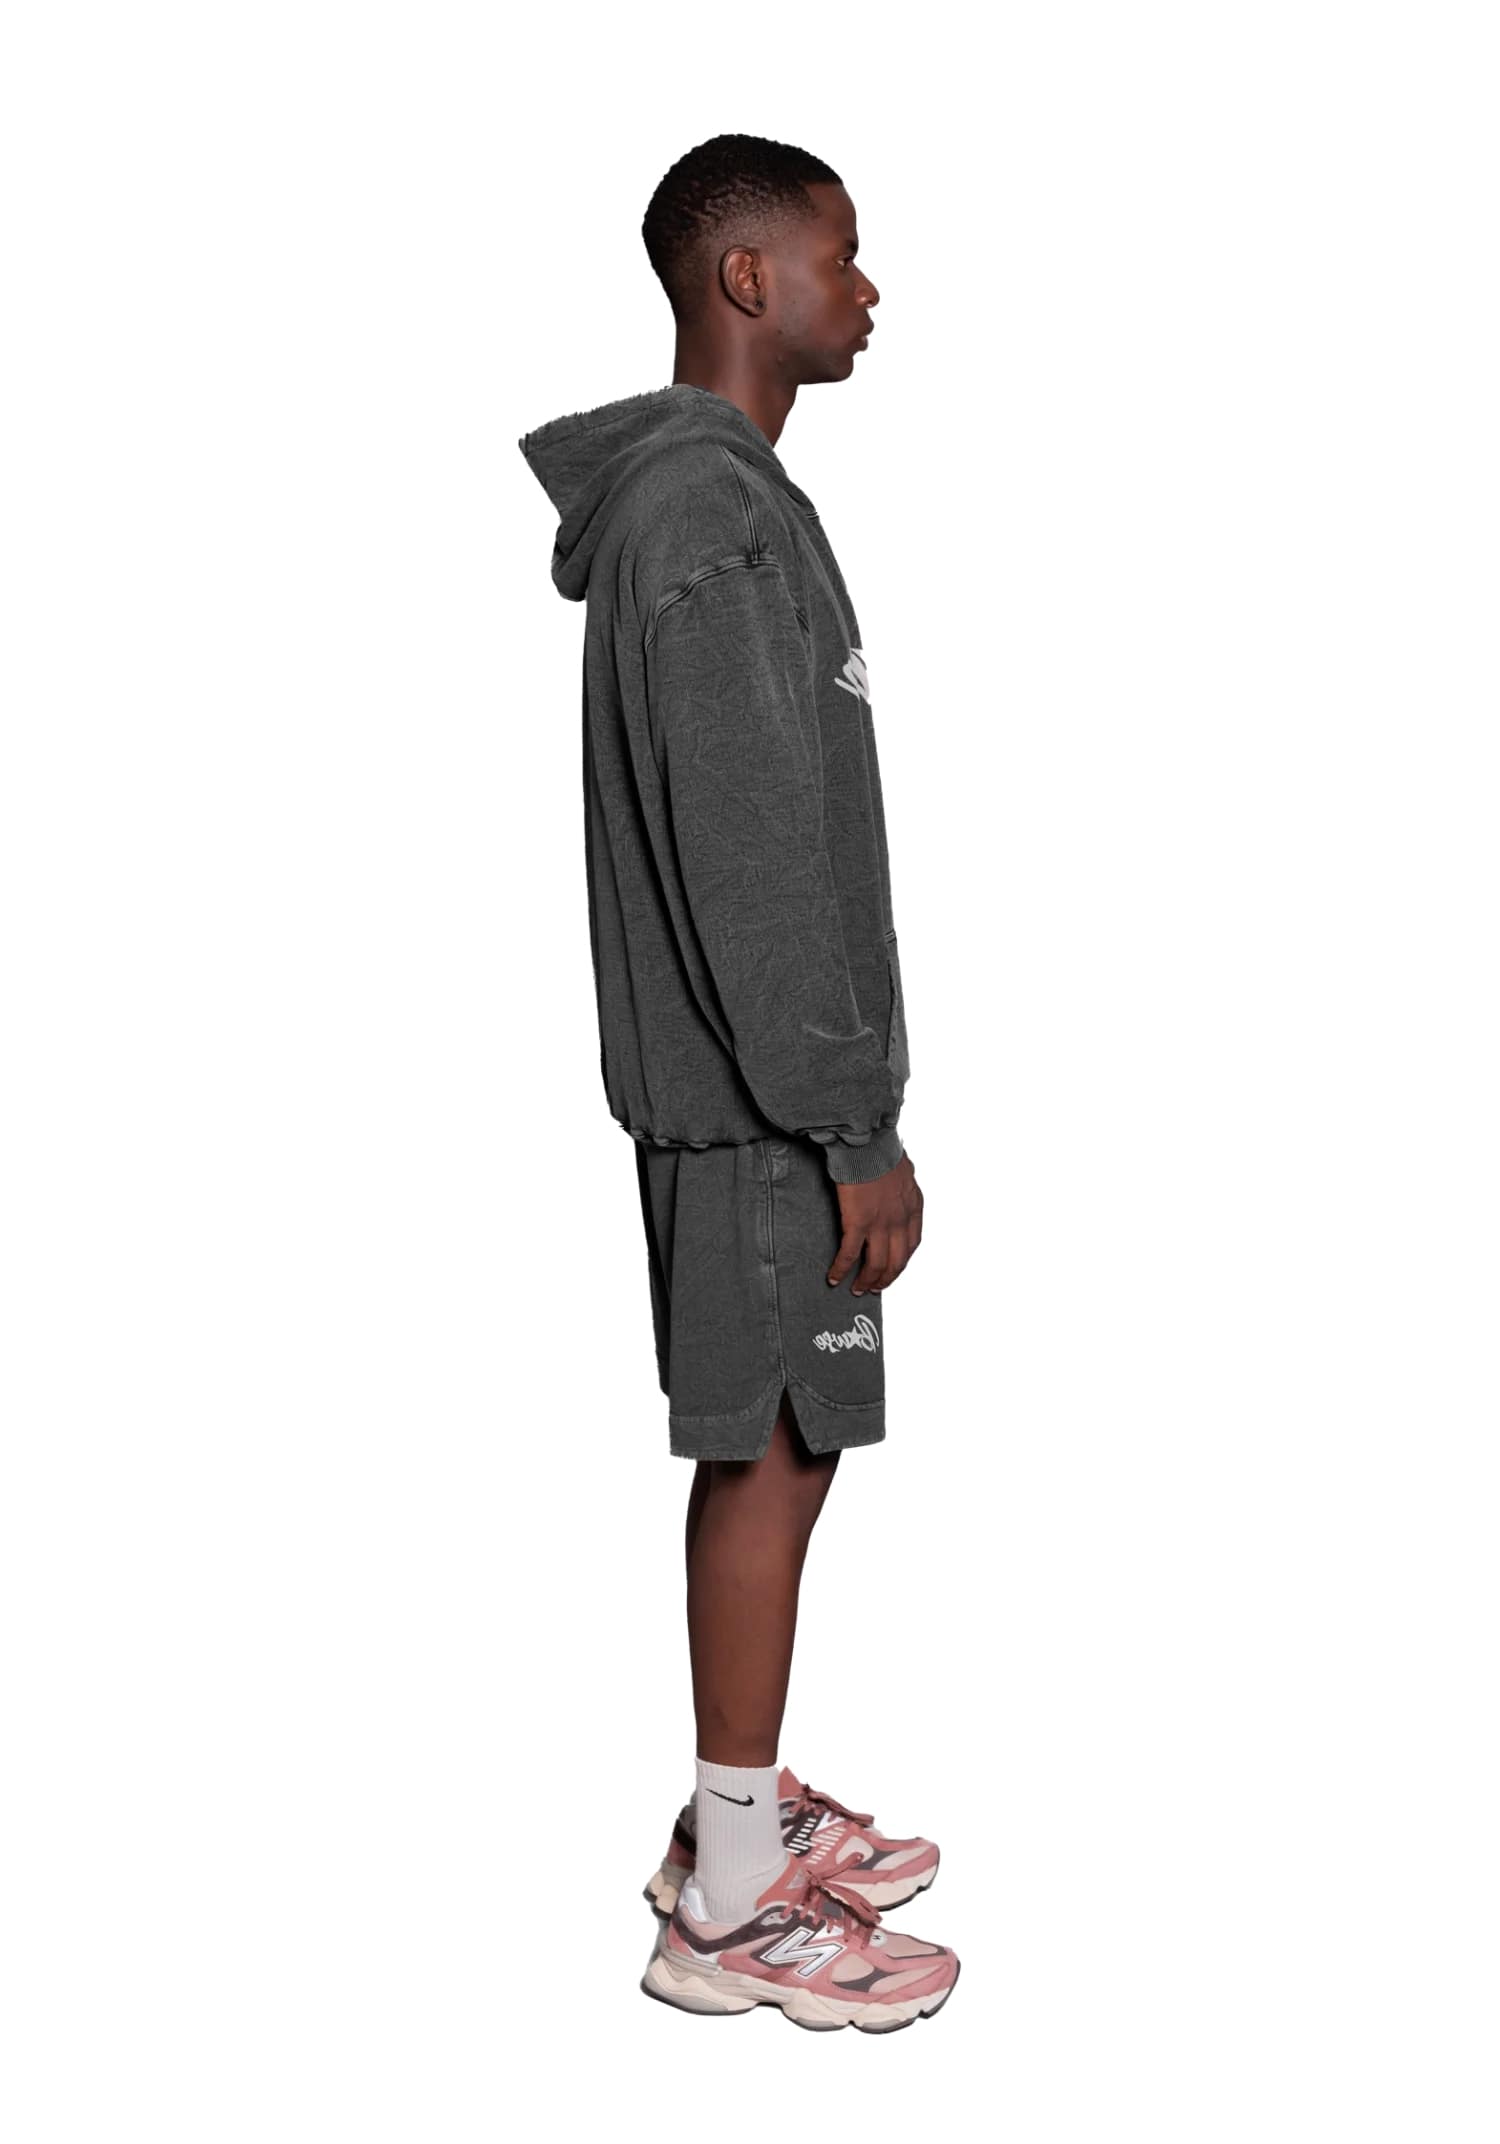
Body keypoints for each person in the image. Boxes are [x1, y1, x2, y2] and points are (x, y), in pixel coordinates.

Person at [518, 133, 958, 2033]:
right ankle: (732, 1906)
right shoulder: (706, 515)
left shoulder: (727, 505)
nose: (871, 291)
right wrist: (850, 1122)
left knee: (789, 1449)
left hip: (771, 1105)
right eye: (843, 256)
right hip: (766, 1116)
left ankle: (740, 1818)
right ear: (747, 280)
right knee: (771, 1453)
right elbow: (757, 860)